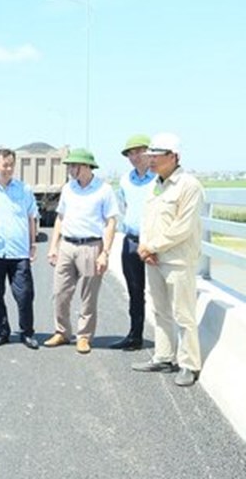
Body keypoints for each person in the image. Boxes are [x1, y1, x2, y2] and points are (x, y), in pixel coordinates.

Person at [132, 133, 204, 387]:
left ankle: (189, 364)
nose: (150, 160)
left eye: (156, 155)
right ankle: (164, 357)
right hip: (154, 258)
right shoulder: (156, 184)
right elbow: (147, 219)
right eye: (149, 155)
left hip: (177, 261)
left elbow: (182, 228)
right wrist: (146, 247)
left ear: (173, 157)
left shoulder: (189, 186)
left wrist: (151, 246)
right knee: (160, 311)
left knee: (183, 314)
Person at [44, 148, 118, 354]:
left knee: (88, 294)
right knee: (60, 292)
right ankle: (62, 331)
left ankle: (84, 336)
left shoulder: (104, 190)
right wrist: (53, 246)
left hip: (91, 246)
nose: (70, 169)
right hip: (67, 245)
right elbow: (60, 218)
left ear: (86, 167)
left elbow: (111, 222)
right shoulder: (68, 188)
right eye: (69, 165)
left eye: (74, 165)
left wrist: (105, 252)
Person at [0, 148, 40, 350]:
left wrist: (33, 245)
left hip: (18, 252)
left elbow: (32, 218)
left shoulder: (24, 189)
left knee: (25, 295)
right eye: (5, 165)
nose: (9, 168)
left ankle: (27, 332)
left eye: (11, 164)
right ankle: (2, 332)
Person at [109, 134, 155, 350]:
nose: (134, 157)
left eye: (139, 151)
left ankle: (168, 344)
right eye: (130, 153)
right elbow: (124, 206)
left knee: (161, 292)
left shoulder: (159, 178)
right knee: (135, 291)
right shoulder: (126, 180)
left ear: (149, 152)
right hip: (131, 241)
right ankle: (135, 335)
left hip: (156, 243)